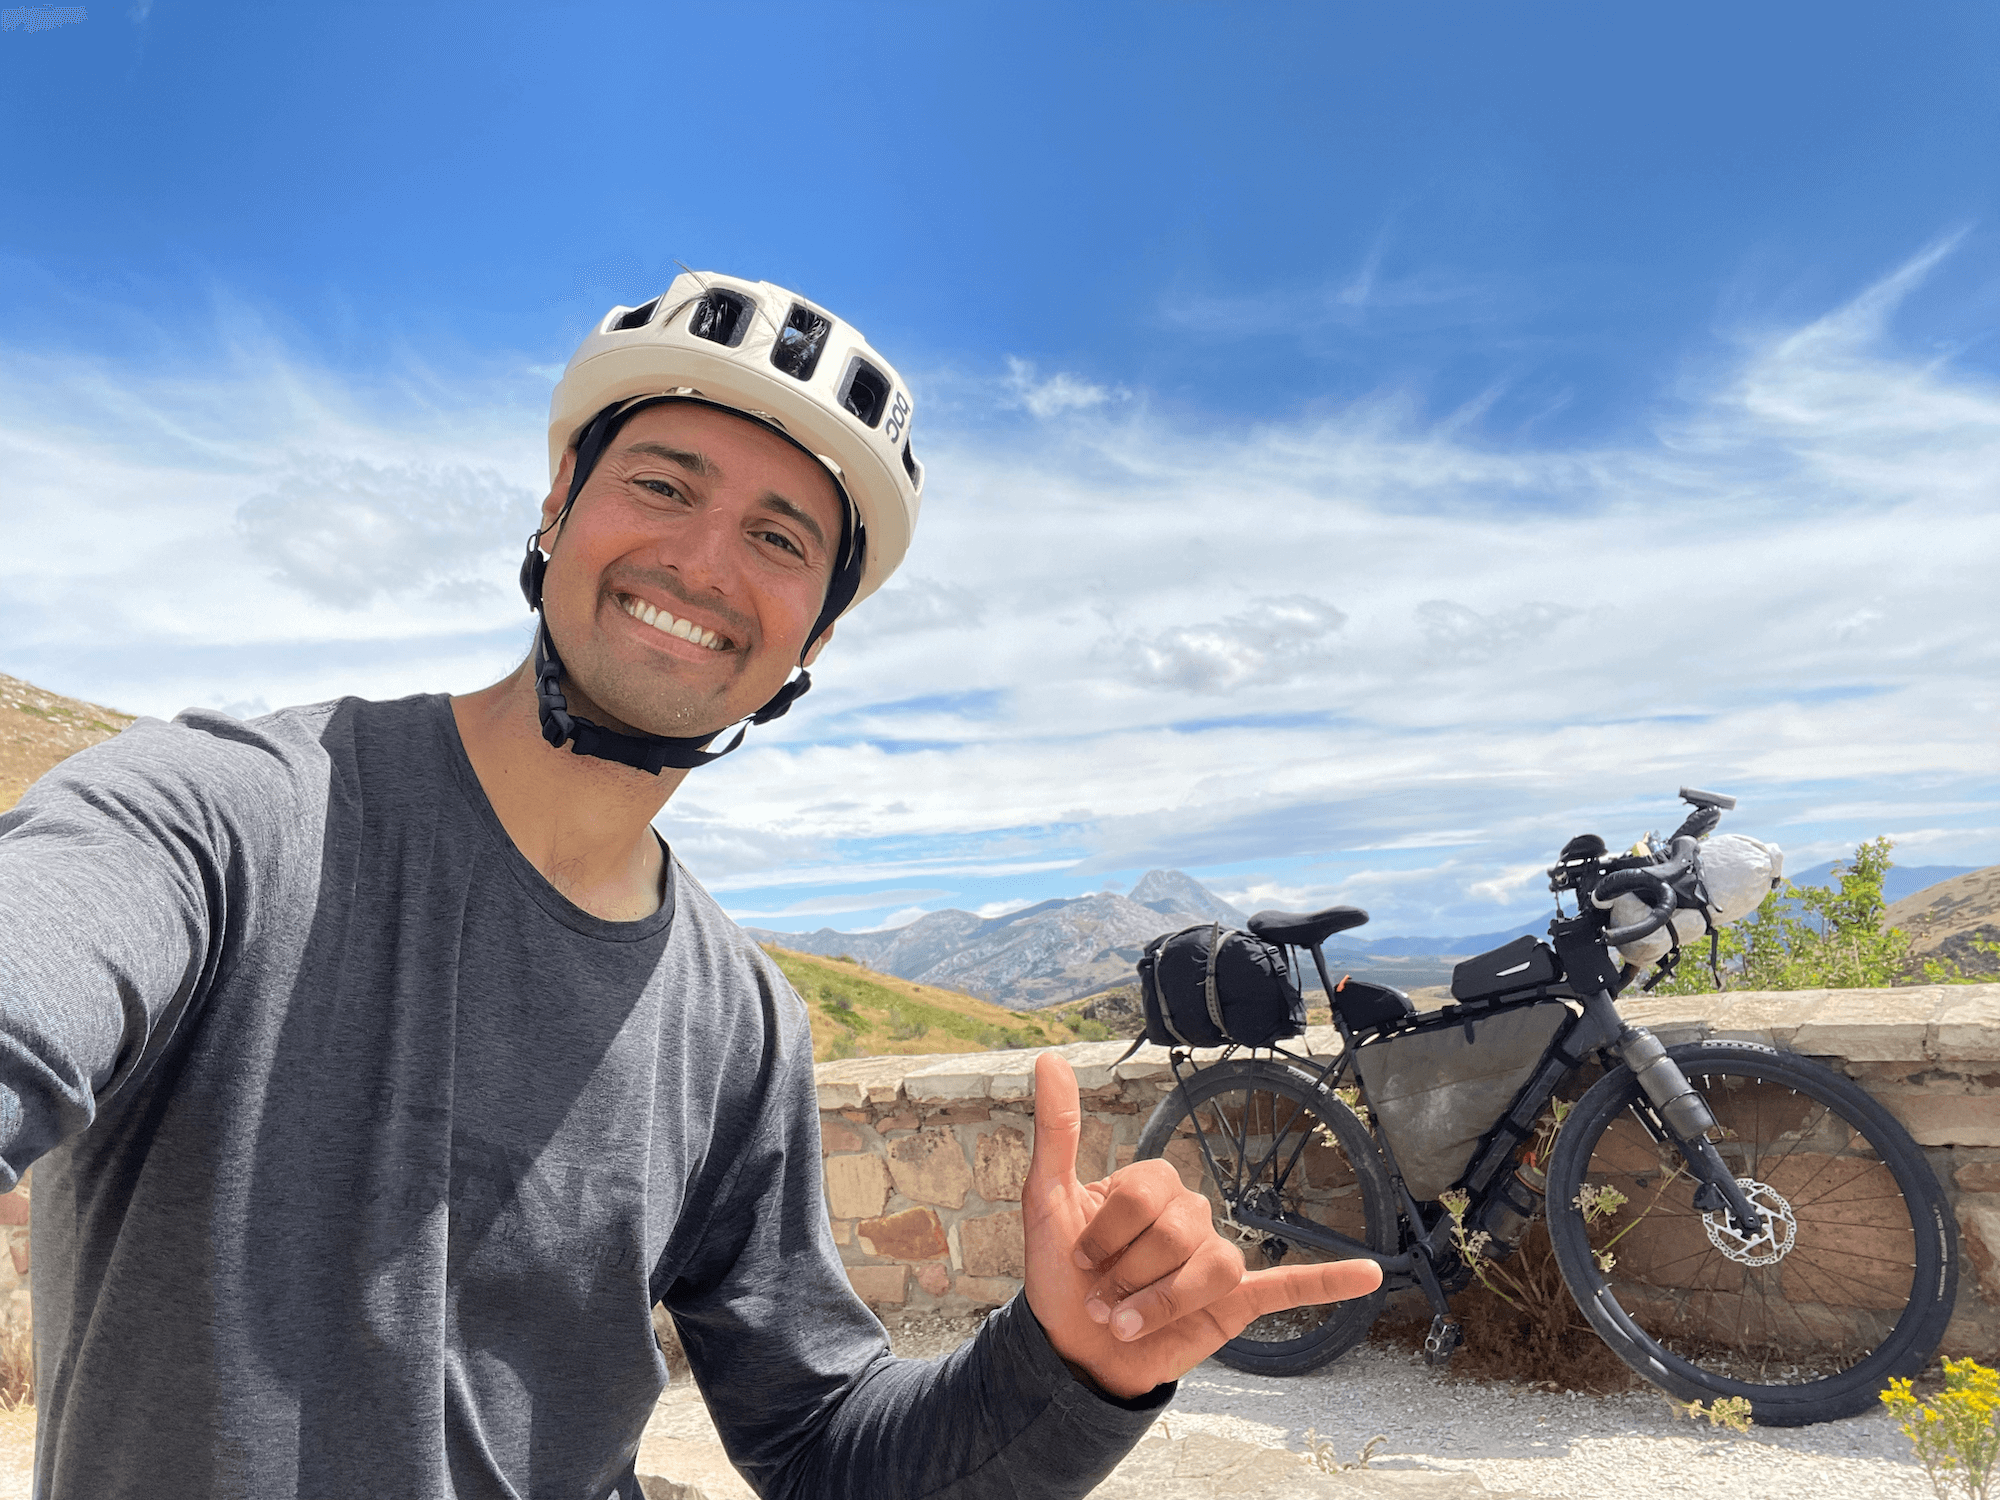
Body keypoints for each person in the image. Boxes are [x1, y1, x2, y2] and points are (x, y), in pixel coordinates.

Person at [0, 272, 1381, 1500]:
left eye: (781, 539)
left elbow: (824, 1441)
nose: (703, 562)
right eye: (661, 484)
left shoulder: (738, 1023)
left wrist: (1068, 1368)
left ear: (811, 642)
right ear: (558, 506)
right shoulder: (223, 816)